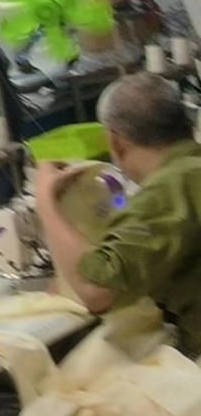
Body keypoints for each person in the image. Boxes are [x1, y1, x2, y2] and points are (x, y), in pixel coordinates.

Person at [37, 74, 201, 354]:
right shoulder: (190, 171)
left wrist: (45, 202)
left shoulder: (171, 188)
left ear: (115, 141)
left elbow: (96, 292)